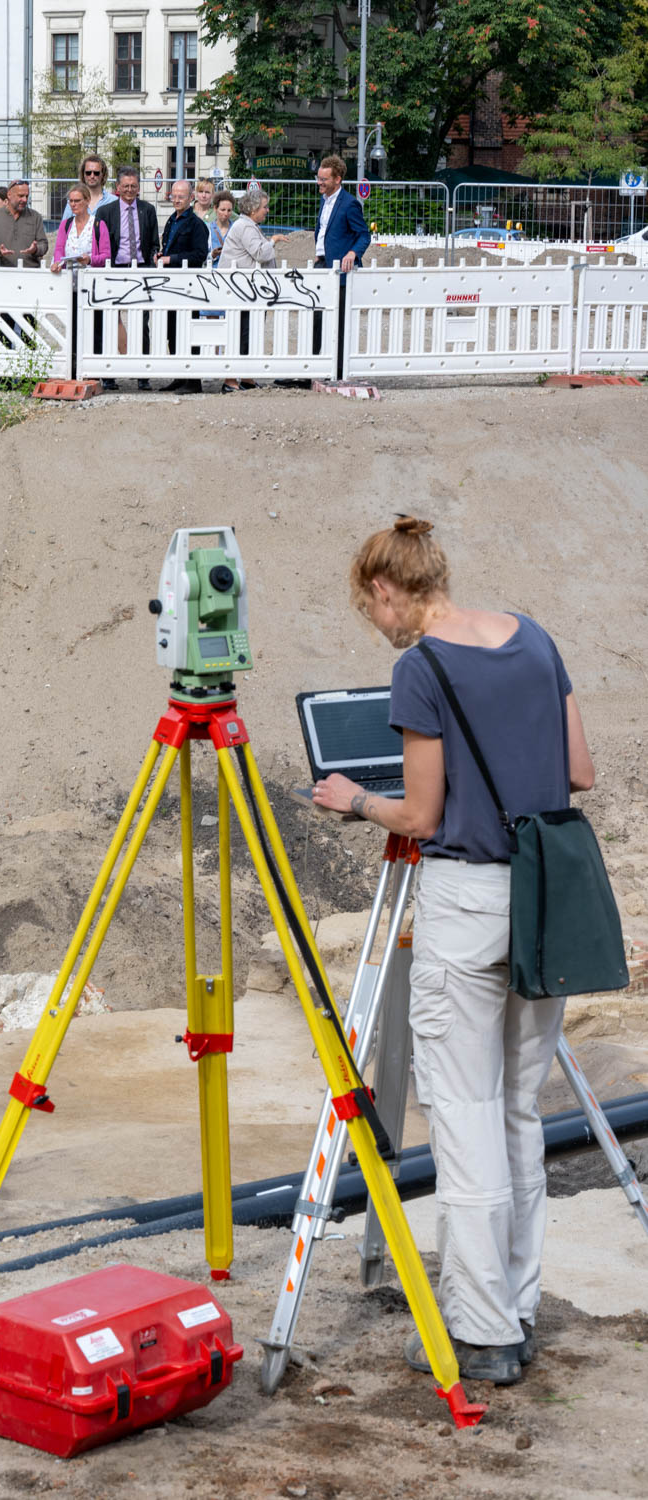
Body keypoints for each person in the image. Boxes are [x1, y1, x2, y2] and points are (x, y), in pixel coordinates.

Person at [311, 516, 596, 1387]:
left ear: (386, 591)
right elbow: (579, 772)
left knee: (465, 1116)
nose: (378, 624)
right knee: (516, 1112)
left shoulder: (418, 668)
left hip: (468, 902)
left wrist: (355, 800)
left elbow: (421, 817)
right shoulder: (534, 638)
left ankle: (477, 1333)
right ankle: (512, 1306)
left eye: (372, 609)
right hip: (544, 899)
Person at [94, 167, 160, 390]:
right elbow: (99, 243)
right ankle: (109, 375)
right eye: (126, 186)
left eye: (133, 186)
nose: (130, 190)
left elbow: (153, 243)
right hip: (114, 270)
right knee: (111, 321)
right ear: (118, 188)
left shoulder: (148, 210)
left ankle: (142, 374)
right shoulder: (105, 212)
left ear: (138, 188)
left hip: (140, 270)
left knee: (142, 322)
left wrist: (150, 265)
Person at [216, 187, 280, 392]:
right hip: (242, 291)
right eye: (264, 207)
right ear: (253, 209)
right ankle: (231, 380)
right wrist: (274, 241)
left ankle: (247, 378)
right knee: (242, 332)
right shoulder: (245, 227)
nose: (267, 210)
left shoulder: (248, 225)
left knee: (249, 332)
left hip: (248, 291)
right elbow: (260, 253)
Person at [311, 154, 370, 377]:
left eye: (324, 179)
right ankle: (315, 363)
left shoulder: (349, 204)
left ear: (337, 180)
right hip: (323, 265)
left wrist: (353, 253)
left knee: (339, 320)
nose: (319, 182)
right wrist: (319, 253)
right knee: (317, 316)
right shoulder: (324, 201)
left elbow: (363, 235)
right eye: (318, 178)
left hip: (340, 271)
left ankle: (338, 368)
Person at [156, 180, 209, 393]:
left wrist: (171, 259)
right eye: (174, 195)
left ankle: (193, 381)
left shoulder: (196, 225)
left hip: (188, 286)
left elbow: (199, 255)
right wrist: (161, 254)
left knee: (188, 331)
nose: (176, 199)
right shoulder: (171, 219)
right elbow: (167, 246)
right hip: (172, 284)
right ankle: (180, 374)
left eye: (181, 196)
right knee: (172, 331)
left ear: (190, 198)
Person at [0, 179, 48, 268]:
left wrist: (36, 249)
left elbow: (44, 245)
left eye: (27, 196)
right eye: (21, 196)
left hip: (30, 274)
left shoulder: (35, 217)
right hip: (3, 274)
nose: (24, 200)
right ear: (9, 195)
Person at [51, 185, 109, 271]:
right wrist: (57, 262)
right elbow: (59, 249)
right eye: (71, 201)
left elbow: (106, 255)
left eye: (77, 201)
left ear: (87, 200)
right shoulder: (66, 224)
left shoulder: (98, 224)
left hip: (91, 277)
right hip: (68, 277)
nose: (73, 204)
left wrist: (90, 259)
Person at [61, 155, 116, 220]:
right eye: (88, 173)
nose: (92, 176)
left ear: (103, 174)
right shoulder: (73, 200)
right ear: (83, 174)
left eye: (96, 173)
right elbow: (64, 228)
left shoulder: (113, 201)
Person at [208, 190, 235, 266]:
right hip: (212, 272)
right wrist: (212, 255)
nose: (226, 213)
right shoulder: (208, 229)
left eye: (229, 210)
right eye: (223, 210)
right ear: (215, 208)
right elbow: (201, 255)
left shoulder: (236, 229)